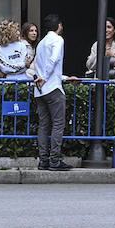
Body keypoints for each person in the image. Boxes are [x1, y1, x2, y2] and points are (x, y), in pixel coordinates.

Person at [33, 14, 70, 170]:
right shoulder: (58, 40)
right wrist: (45, 77)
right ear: (59, 26)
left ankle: (43, 161)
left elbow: (40, 65)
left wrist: (65, 77)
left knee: (43, 125)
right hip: (52, 87)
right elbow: (53, 60)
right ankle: (54, 160)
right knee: (58, 124)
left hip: (40, 90)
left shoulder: (41, 43)